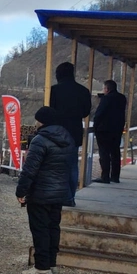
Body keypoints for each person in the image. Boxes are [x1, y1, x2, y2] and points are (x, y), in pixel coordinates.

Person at [16, 107, 75, 274]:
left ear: (41, 121)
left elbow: (29, 170)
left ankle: (41, 267)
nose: (35, 123)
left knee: (40, 229)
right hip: (59, 192)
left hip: (40, 193)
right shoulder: (68, 139)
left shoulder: (40, 140)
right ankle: (51, 263)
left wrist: (21, 191)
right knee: (53, 227)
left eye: (37, 120)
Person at [49, 62, 92, 205]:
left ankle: (57, 196)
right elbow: (86, 112)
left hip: (57, 133)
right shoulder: (83, 91)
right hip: (74, 132)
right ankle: (70, 198)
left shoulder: (54, 90)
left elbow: (51, 110)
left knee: (56, 166)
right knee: (72, 166)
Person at [91, 79, 128, 184]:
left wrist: (95, 126)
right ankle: (115, 176)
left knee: (104, 153)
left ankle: (105, 176)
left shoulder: (106, 99)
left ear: (107, 89)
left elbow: (99, 114)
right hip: (117, 129)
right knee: (115, 152)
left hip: (104, 130)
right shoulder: (122, 98)